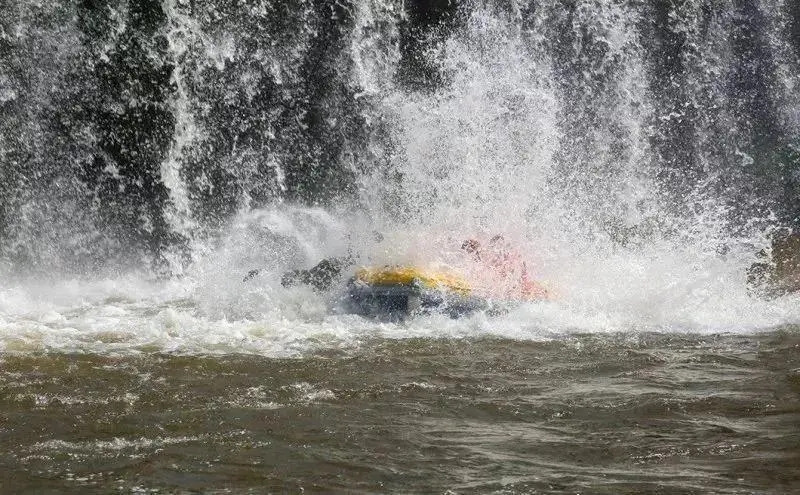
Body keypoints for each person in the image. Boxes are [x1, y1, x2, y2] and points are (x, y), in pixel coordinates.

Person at [460, 235, 549, 300]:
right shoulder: (488, 257)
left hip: (518, 285)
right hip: (513, 283)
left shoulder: (500, 258)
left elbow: (518, 273)